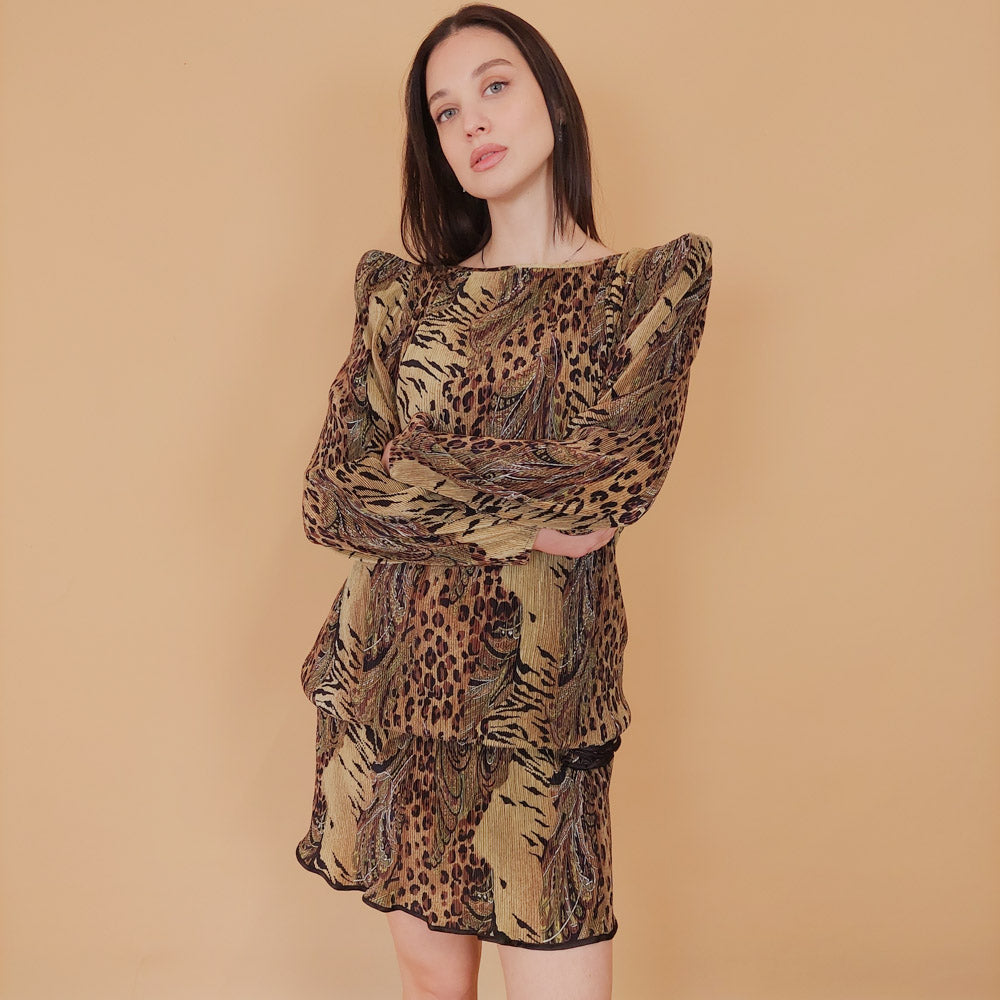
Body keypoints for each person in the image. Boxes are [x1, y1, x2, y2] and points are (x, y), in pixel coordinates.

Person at [294, 4, 713, 998]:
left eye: (493, 86)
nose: (470, 121)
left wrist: (416, 466)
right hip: (391, 692)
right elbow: (329, 496)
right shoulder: (400, 299)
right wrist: (524, 502)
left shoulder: (651, 286)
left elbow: (607, 486)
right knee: (431, 987)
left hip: (544, 706)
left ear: (552, 101)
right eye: (444, 111)